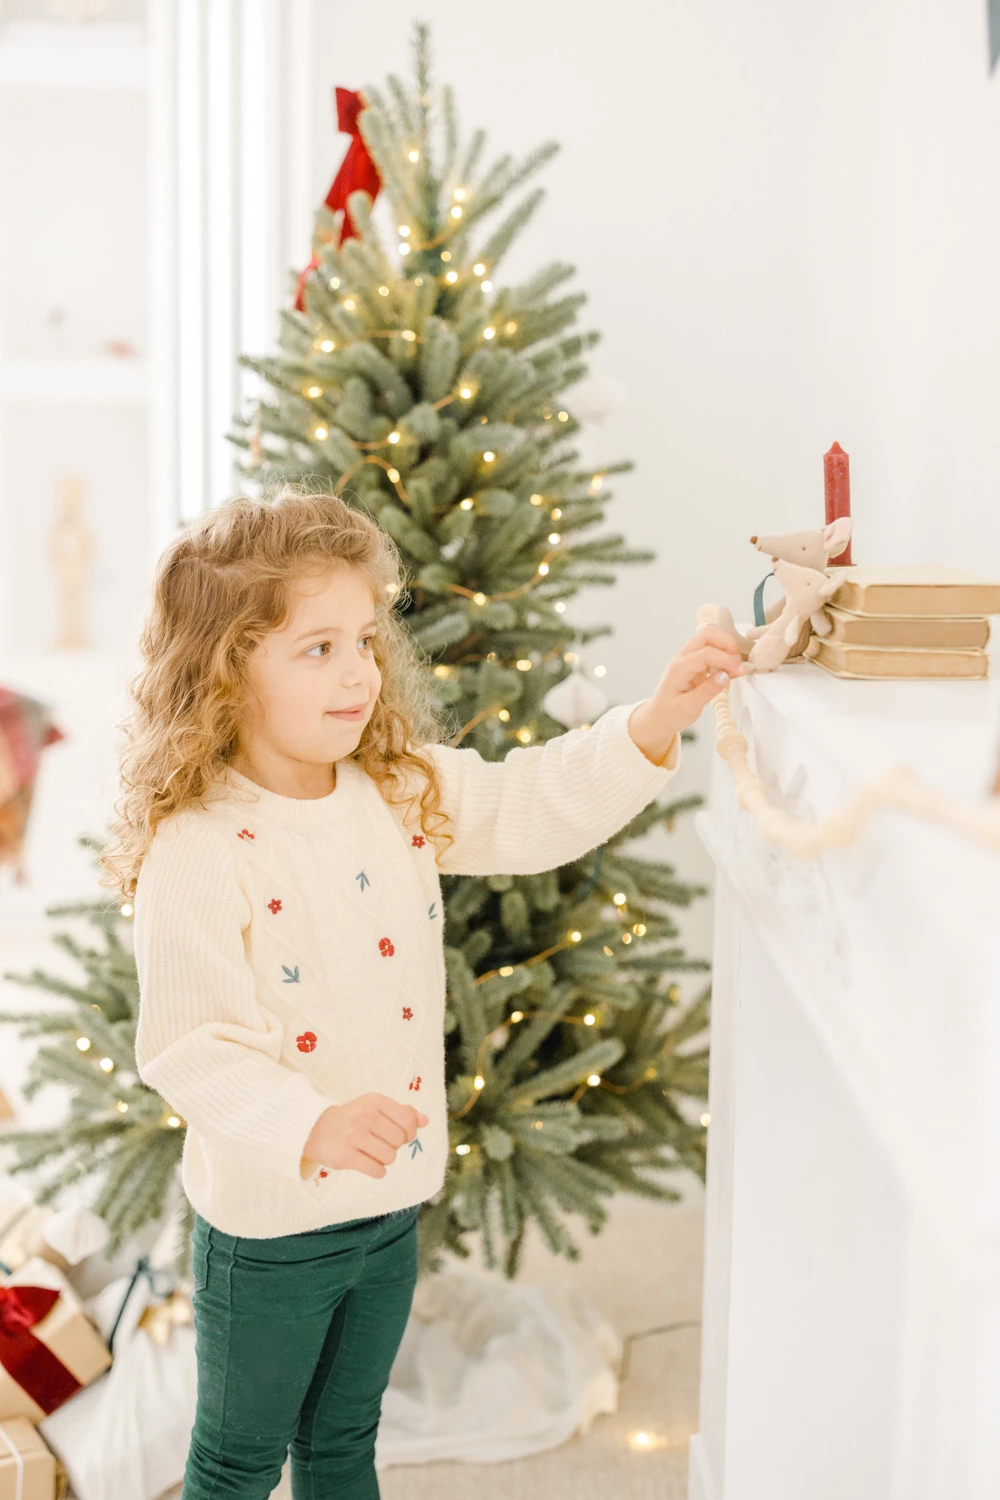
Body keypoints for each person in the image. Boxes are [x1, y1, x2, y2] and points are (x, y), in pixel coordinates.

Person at [101, 486, 744, 1499]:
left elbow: (529, 804)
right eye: (317, 649)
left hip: (390, 1205)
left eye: (364, 638)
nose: (359, 670)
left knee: (347, 1447)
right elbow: (189, 1048)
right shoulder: (198, 847)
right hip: (268, 1236)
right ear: (226, 672)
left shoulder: (396, 789)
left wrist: (655, 721)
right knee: (235, 1464)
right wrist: (308, 1123)